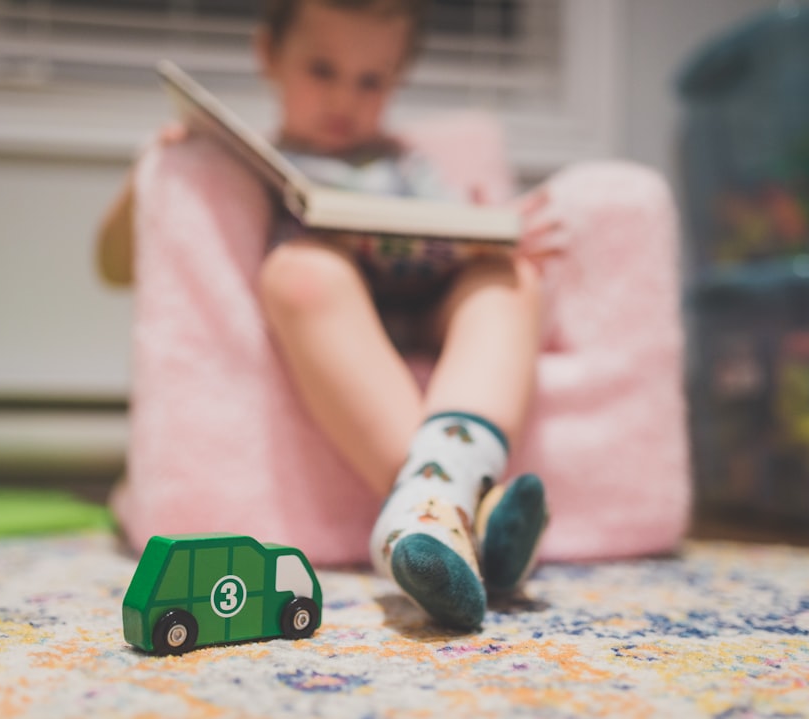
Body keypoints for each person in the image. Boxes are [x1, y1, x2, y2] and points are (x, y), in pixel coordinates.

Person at [99, 0, 557, 631]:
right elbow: (116, 265)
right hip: (336, 322)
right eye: (321, 70)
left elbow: (458, 227)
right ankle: (467, 517)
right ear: (270, 56)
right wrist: (156, 170)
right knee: (298, 271)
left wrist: (488, 234)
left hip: (432, 305)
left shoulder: (406, 165)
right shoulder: (249, 160)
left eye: (371, 81)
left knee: (512, 280)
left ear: (397, 79)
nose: (345, 97)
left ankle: (425, 513)